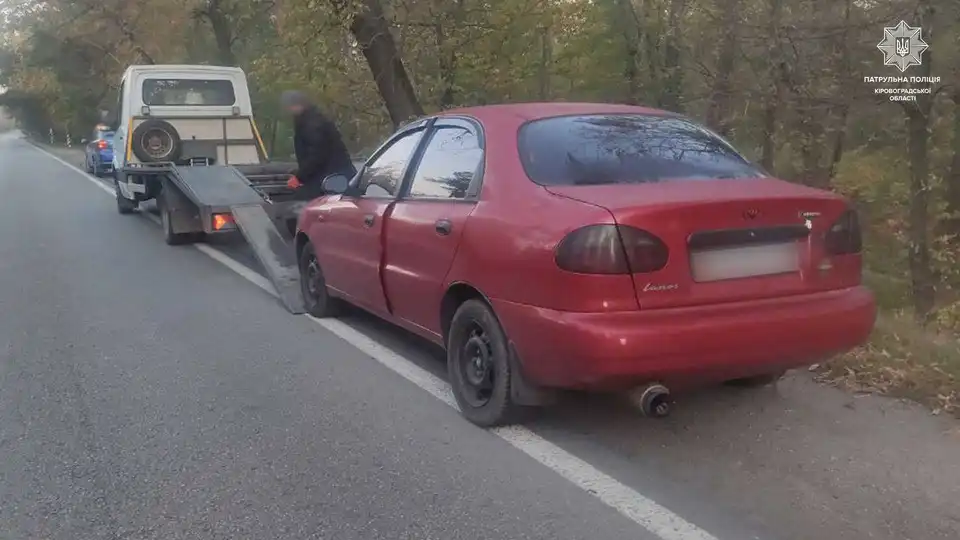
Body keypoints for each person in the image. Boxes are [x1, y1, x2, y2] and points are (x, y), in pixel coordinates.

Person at [280, 90, 357, 201]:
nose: (288, 111)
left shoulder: (312, 124)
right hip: (334, 177)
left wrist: (300, 177)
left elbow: (317, 155)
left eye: (289, 106)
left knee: (302, 203)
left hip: (332, 180)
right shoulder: (310, 119)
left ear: (297, 105)